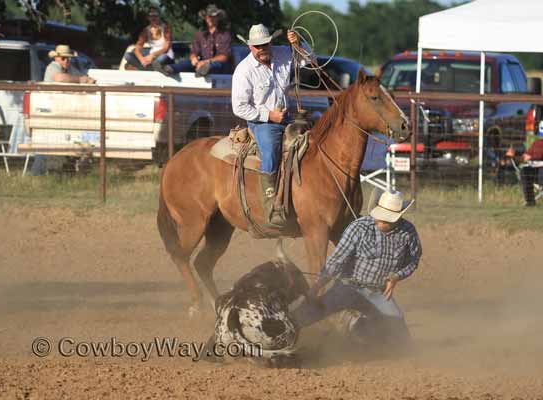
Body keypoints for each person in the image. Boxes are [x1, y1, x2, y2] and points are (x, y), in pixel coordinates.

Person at [291, 190, 422, 347]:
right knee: (311, 312)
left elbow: (413, 260)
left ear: (398, 218)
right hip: (348, 287)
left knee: (399, 331)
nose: (378, 221)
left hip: (378, 293)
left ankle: (365, 336)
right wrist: (317, 286)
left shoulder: (408, 232)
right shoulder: (359, 228)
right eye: (378, 216)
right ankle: (283, 328)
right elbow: (336, 260)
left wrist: (397, 276)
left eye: (385, 220)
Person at [231, 24, 305, 227]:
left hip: (287, 117)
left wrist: (299, 44)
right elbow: (239, 107)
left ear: (271, 43)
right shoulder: (244, 71)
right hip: (262, 123)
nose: (262, 49)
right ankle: (271, 205)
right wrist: (269, 116)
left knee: (311, 141)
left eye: (265, 44)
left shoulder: (283, 53)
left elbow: (309, 62)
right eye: (257, 46)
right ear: (250, 47)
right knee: (271, 150)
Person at [161, 4, 231, 77]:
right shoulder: (200, 34)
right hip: (200, 63)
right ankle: (170, 68)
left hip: (217, 65)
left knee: (216, 65)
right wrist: (193, 58)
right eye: (208, 16)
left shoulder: (224, 34)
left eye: (213, 16)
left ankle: (204, 70)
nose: (210, 19)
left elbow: (224, 57)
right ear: (205, 18)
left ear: (218, 18)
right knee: (185, 63)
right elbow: (194, 51)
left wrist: (206, 62)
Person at [122, 6, 174, 72]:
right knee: (127, 55)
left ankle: (146, 69)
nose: (153, 17)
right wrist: (142, 59)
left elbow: (166, 48)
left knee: (161, 58)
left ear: (159, 16)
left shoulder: (166, 28)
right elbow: (137, 48)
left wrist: (152, 55)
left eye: (155, 15)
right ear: (148, 17)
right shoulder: (146, 30)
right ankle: (150, 68)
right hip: (151, 60)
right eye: (151, 15)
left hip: (165, 56)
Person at [506, 139, 543, 207]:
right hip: (536, 171)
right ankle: (530, 202)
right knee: (525, 171)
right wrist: (514, 156)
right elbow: (525, 158)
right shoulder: (537, 143)